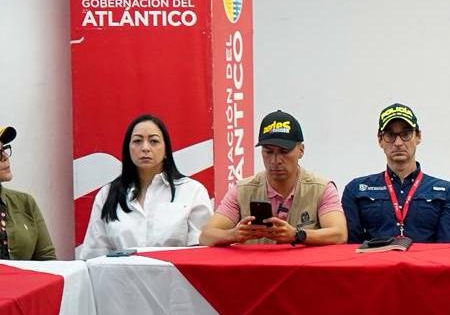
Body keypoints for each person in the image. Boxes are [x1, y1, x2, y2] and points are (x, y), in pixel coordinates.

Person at [199, 110, 346, 246]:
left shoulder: (321, 188)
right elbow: (206, 236)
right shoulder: (242, 190)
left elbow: (339, 234)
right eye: (268, 152)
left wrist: (297, 235)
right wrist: (234, 234)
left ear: (301, 150)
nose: (275, 160)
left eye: (284, 151)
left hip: (303, 272)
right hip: (255, 271)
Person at [79, 114, 213, 259]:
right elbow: (94, 255)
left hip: (174, 280)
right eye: (137, 141)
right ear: (127, 149)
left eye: (154, 141)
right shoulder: (107, 194)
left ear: (166, 150)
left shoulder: (192, 191)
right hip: (120, 279)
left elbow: (202, 252)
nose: (145, 148)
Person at [342, 103, 450, 243]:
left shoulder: (448, 193)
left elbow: (448, 251)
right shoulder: (355, 190)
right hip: (376, 264)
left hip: (427, 264)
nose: (398, 142)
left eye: (406, 134)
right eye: (390, 135)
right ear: (380, 140)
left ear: (418, 136)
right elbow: (351, 250)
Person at [0, 126, 56, 260]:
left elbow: (47, 259)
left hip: (25, 281)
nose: (5, 157)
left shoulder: (25, 202)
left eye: (4, 150)